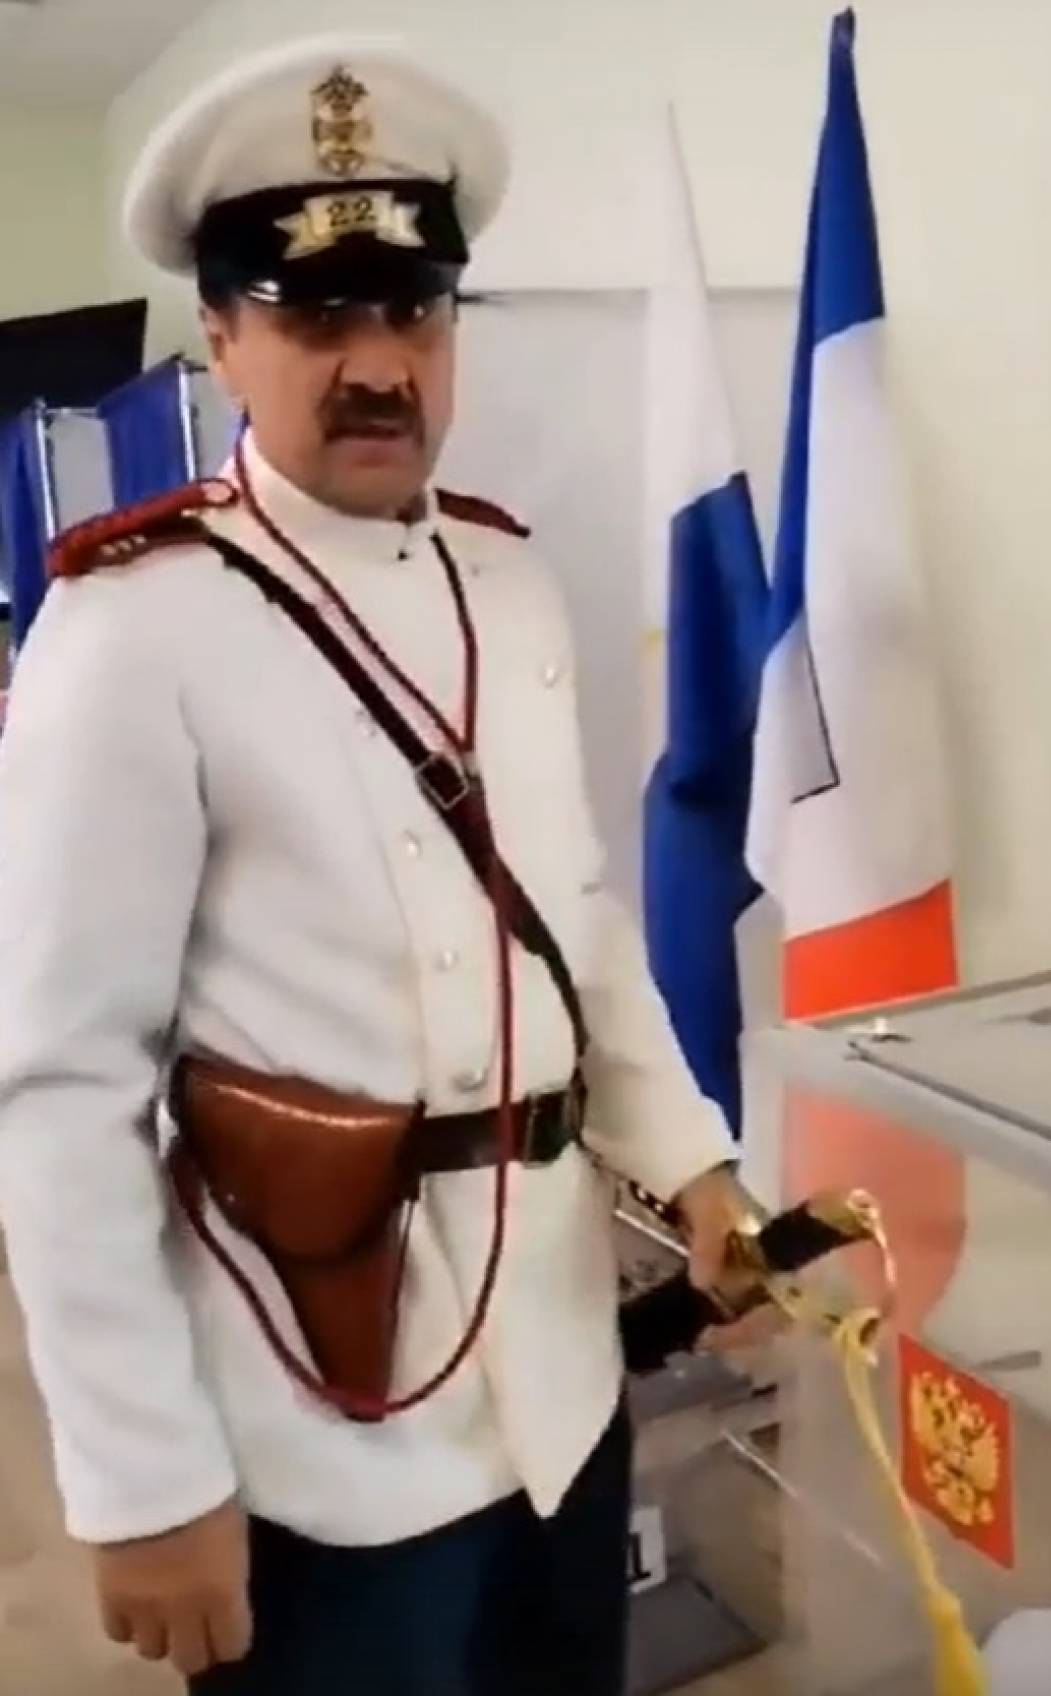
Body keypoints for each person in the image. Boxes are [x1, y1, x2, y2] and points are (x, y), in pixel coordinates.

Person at [0, 34, 755, 1696]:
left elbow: (579, 930)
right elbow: (60, 1086)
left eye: (412, 312)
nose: (376, 366)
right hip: (315, 1416)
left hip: (557, 1378)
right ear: (222, 334)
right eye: (314, 316)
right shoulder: (127, 633)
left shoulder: (509, 589)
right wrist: (142, 1480)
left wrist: (697, 1172)